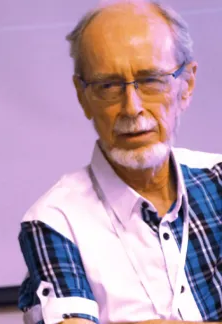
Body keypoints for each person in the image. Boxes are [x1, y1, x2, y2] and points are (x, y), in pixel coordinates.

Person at [18, 0, 222, 323]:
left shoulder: (217, 180)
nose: (132, 108)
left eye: (151, 80)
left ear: (187, 86)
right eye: (109, 86)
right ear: (83, 96)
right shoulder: (55, 220)